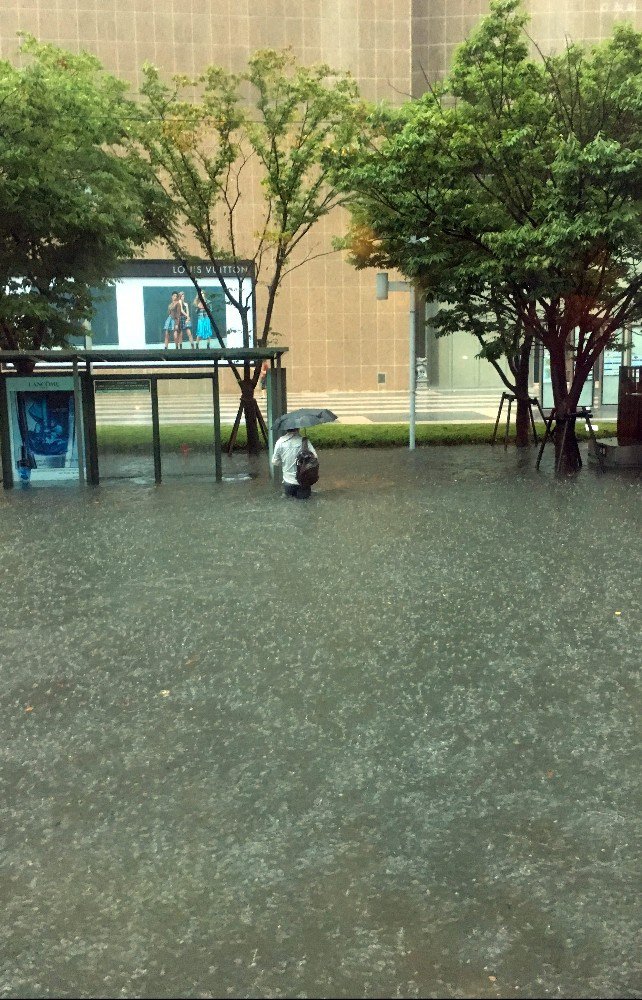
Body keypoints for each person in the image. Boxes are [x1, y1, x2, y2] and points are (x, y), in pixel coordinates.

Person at [271, 428, 317, 500]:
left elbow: (275, 462)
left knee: (289, 507)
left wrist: (285, 463)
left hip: (288, 482)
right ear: (298, 428)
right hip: (303, 481)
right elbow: (315, 457)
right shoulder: (304, 441)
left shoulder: (280, 442)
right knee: (304, 507)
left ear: (286, 429)